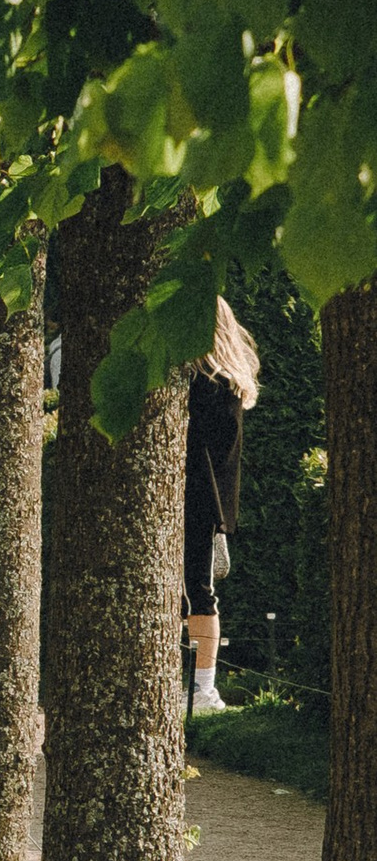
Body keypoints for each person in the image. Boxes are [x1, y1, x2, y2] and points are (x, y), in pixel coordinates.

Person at [185, 299, 260, 714]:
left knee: (197, 592)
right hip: (209, 502)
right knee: (198, 591)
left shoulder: (205, 380)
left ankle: (203, 690)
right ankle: (200, 688)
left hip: (196, 497)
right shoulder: (229, 380)